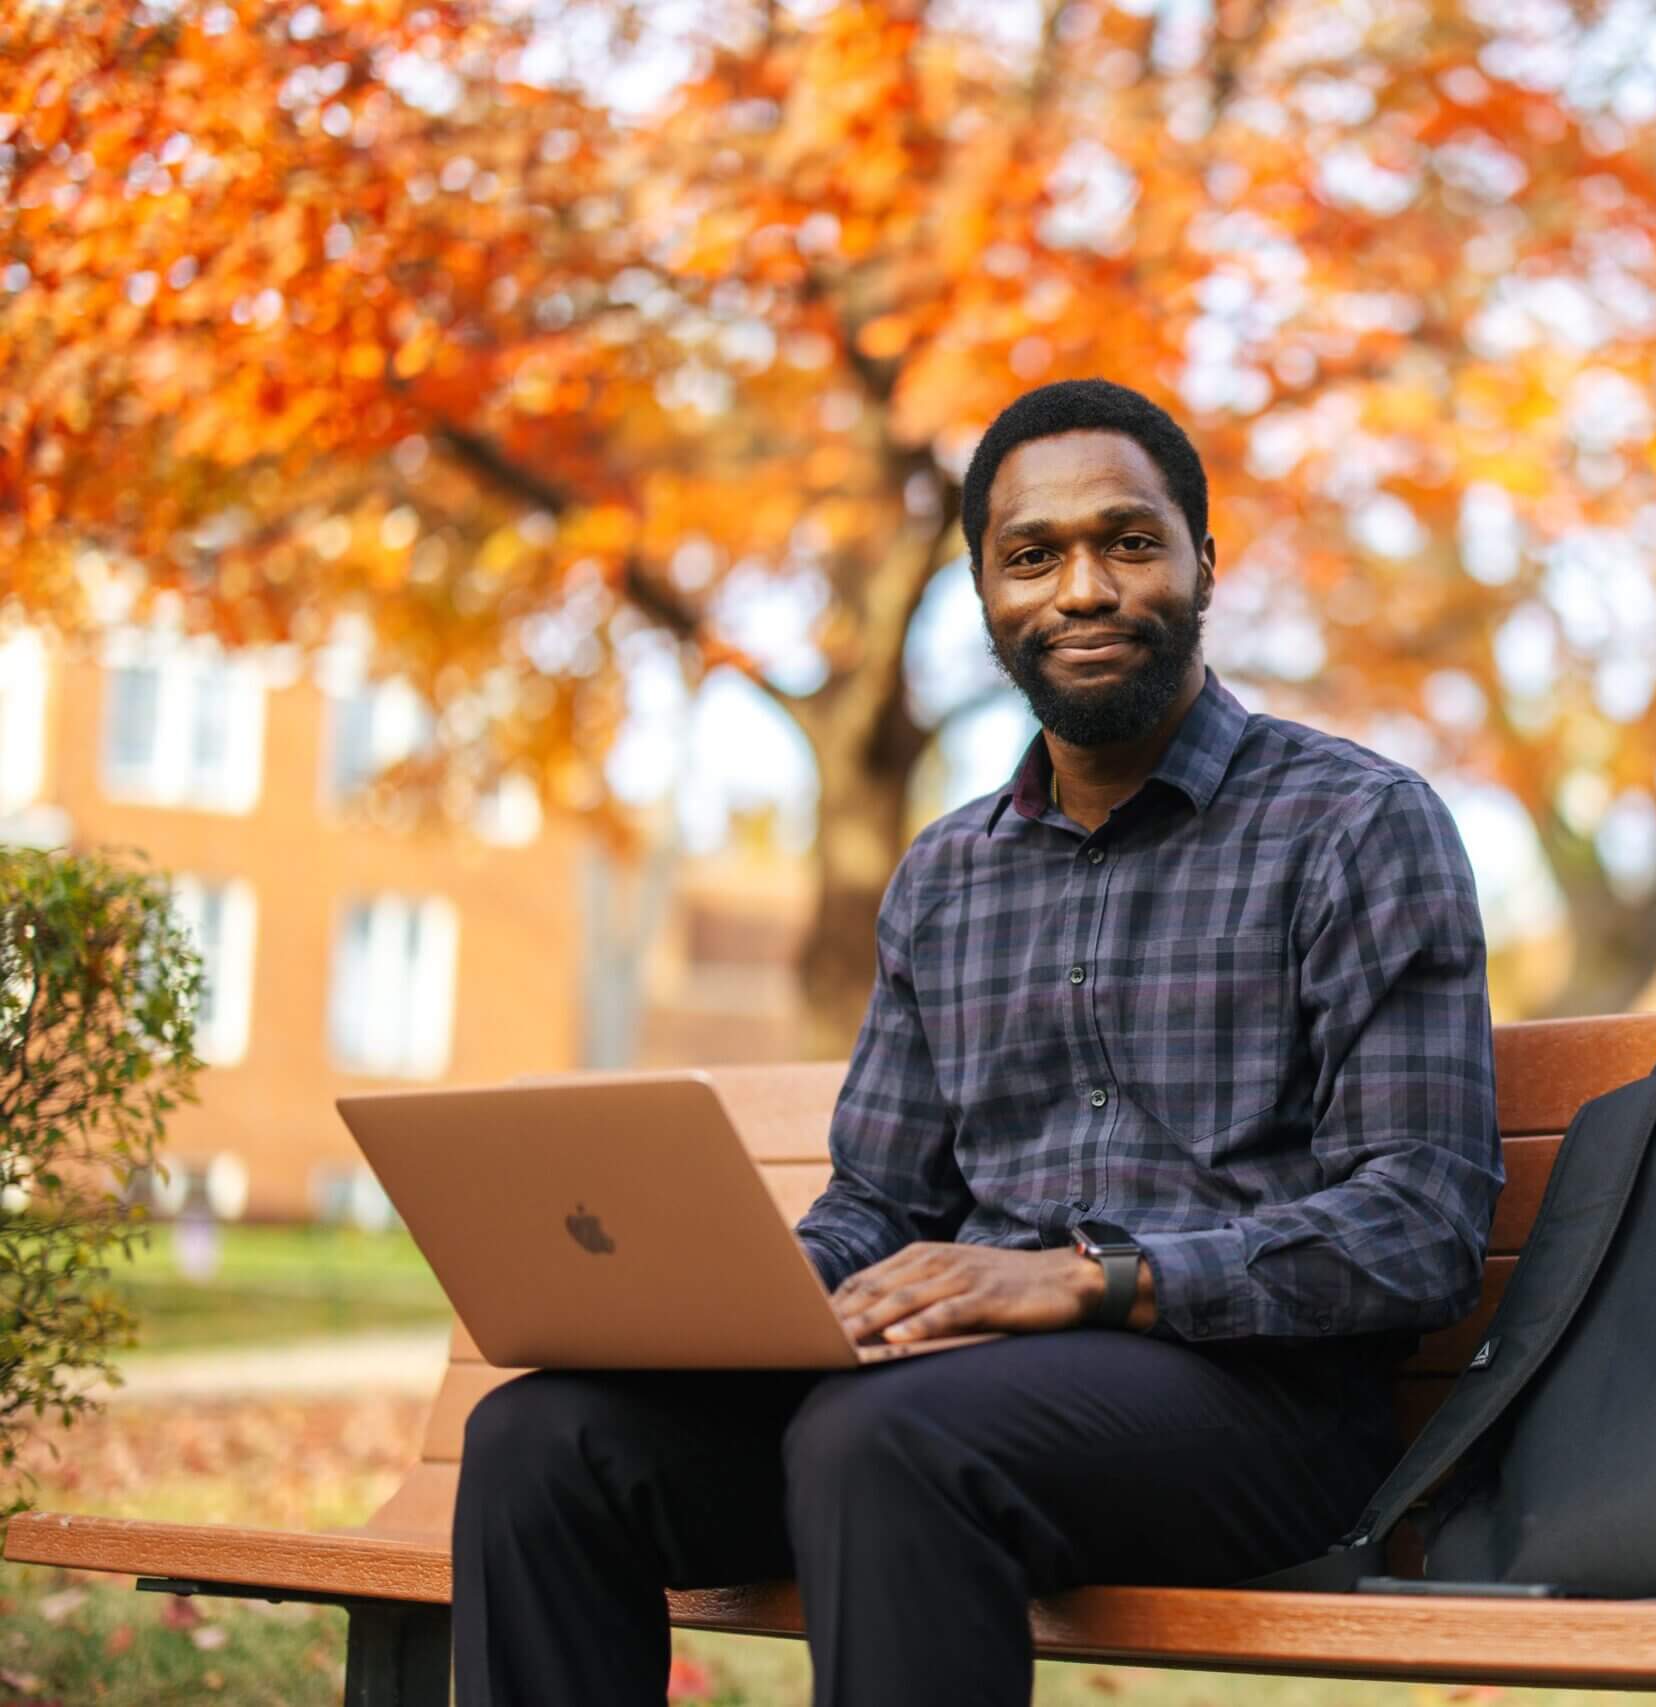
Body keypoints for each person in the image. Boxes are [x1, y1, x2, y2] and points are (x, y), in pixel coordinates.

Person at [452, 378, 1504, 1706]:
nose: (1081, 589)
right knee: (542, 1439)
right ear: (984, 593)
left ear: (1203, 567)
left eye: (1128, 542)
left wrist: (1092, 1279)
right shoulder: (946, 877)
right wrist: (749, 1306)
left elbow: (1418, 1224)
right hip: (946, 1408)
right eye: (1032, 556)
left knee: (877, 1439)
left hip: (1262, 1414)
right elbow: (884, 1201)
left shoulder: (1356, 827)